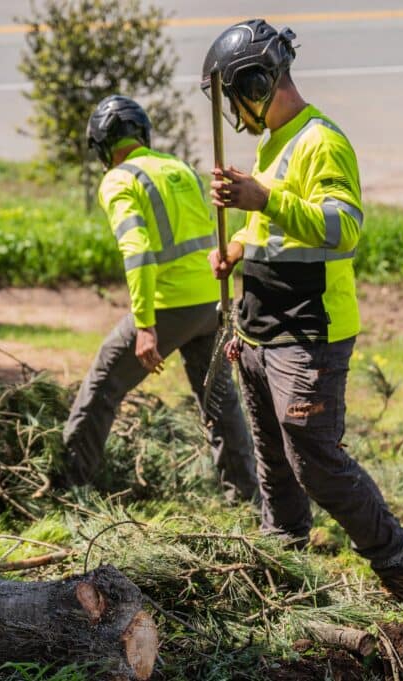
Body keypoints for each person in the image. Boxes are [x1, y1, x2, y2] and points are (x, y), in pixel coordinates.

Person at [200, 19, 403, 605]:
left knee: (316, 462)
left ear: (254, 84)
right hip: (259, 331)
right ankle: (284, 563)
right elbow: (270, 232)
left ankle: (399, 564)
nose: (232, 112)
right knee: (274, 460)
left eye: (232, 96)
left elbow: (343, 228)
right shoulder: (272, 143)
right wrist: (235, 249)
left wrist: (263, 197)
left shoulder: (320, 141)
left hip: (308, 331)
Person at [62, 95, 258, 502]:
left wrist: (146, 325)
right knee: (219, 401)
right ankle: (244, 497)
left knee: (102, 386)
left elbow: (137, 250)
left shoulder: (119, 179)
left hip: (170, 306)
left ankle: (68, 490)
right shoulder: (179, 168)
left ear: (102, 147)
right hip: (213, 301)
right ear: (143, 133)